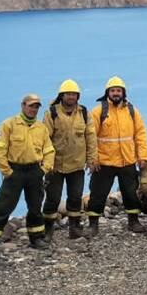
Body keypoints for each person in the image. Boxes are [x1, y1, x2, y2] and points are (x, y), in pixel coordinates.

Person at [0, 94, 55, 253]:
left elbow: (49, 150)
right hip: (15, 172)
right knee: (3, 207)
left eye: (36, 107)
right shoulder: (9, 125)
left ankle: (37, 238)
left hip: (34, 171)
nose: (33, 109)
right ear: (23, 105)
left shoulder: (41, 128)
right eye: (31, 105)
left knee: (35, 207)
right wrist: (7, 171)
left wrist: (43, 169)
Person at [86, 76, 147, 235]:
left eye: (118, 90)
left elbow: (140, 134)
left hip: (126, 160)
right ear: (107, 92)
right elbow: (90, 136)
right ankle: (93, 225)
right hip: (104, 162)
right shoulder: (98, 111)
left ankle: (133, 221)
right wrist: (92, 159)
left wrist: (142, 156)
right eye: (113, 90)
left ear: (123, 93)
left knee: (130, 193)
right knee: (98, 194)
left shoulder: (132, 111)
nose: (116, 93)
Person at [42, 79, 97, 241]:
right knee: (53, 198)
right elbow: (44, 139)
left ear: (77, 96)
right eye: (68, 94)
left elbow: (91, 137)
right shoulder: (51, 113)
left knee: (75, 197)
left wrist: (92, 159)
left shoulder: (84, 113)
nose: (71, 97)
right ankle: (47, 230)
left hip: (77, 165)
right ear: (62, 95)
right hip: (55, 166)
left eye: (74, 94)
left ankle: (75, 229)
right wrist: (45, 163)